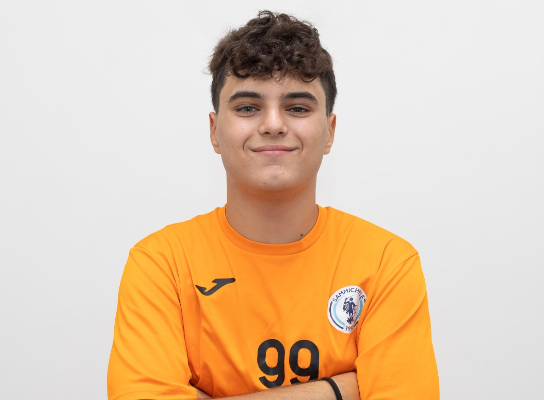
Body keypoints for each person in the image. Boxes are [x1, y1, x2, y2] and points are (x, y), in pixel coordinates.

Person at [107, 10, 439, 400]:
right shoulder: (161, 264)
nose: (273, 124)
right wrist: (339, 390)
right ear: (214, 131)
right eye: (248, 107)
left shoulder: (386, 263)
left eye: (297, 108)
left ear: (329, 133)